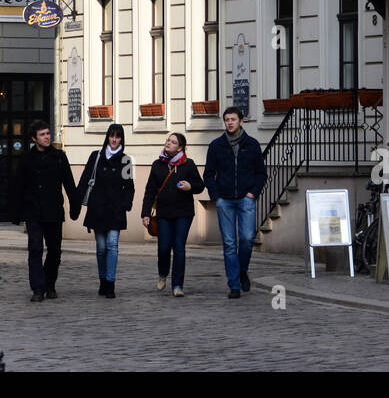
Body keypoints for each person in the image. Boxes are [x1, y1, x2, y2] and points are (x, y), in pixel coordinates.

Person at [12, 123, 79, 303]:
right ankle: (37, 288)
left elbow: (69, 184)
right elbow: (19, 186)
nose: (47, 137)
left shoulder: (59, 157)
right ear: (34, 138)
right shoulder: (26, 159)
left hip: (53, 210)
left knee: (55, 250)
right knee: (35, 249)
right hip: (33, 211)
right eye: (42, 134)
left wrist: (75, 205)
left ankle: (50, 283)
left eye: (48, 133)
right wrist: (16, 212)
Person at [203, 107, 266, 299]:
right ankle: (234, 285)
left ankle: (242, 270)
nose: (230, 123)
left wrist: (252, 194)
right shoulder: (216, 146)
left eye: (233, 119)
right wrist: (217, 196)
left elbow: (261, 174)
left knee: (247, 239)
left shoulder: (252, 145)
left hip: (246, 200)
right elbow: (208, 175)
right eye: (227, 120)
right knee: (229, 244)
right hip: (225, 201)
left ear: (241, 121)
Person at [75, 123, 136, 298]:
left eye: (117, 137)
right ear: (107, 137)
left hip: (116, 211)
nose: (114, 140)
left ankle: (110, 283)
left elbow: (130, 187)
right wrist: (76, 204)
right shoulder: (96, 156)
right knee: (101, 248)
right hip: (97, 209)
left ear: (122, 139)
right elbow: (85, 179)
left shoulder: (125, 160)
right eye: (112, 136)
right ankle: (103, 280)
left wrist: (125, 204)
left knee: (112, 245)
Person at [140, 132, 205, 297]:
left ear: (180, 147)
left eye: (173, 142)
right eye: (168, 140)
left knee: (179, 247)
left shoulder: (188, 164)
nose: (168, 143)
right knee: (163, 247)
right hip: (163, 213)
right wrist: (145, 213)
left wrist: (190, 186)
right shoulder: (158, 165)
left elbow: (199, 185)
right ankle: (163, 274)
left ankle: (177, 285)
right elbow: (150, 191)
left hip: (184, 213)